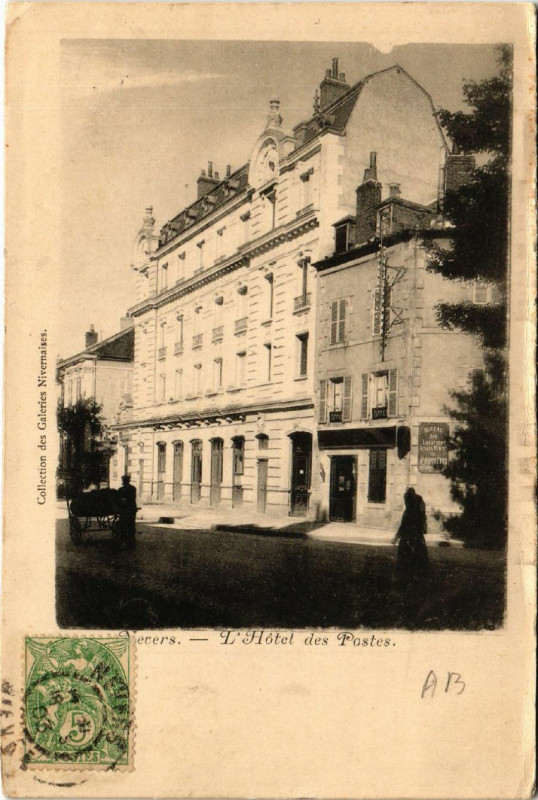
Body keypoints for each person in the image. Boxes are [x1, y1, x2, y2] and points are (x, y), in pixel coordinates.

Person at [392, 487, 429, 587]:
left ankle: (406, 579)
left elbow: (403, 526)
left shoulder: (408, 513)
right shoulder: (420, 512)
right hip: (417, 537)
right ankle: (418, 578)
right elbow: (423, 526)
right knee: (418, 556)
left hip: (407, 537)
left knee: (406, 558)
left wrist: (396, 537)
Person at [116, 474, 137, 548]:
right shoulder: (133, 488)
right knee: (131, 525)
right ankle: (131, 541)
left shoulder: (121, 489)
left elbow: (120, 500)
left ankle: (125, 541)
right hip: (131, 509)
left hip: (125, 510)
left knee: (124, 525)